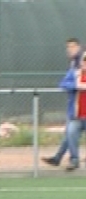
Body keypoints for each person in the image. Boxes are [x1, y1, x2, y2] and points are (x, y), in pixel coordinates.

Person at [43, 38, 83, 169]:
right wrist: (77, 85)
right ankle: (70, 159)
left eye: (73, 47)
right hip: (76, 112)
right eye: (68, 47)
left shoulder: (77, 61)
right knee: (70, 133)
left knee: (70, 134)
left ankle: (58, 158)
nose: (70, 50)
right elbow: (64, 83)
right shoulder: (75, 69)